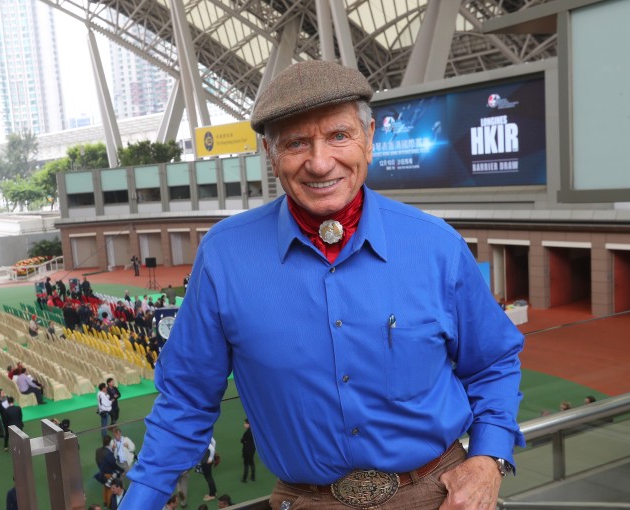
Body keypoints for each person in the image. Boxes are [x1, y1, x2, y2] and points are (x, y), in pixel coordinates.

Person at [122, 60, 525, 509]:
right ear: (270, 155)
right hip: (308, 501)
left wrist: (489, 458)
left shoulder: (435, 245)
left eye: (338, 135)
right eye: (296, 143)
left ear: (370, 138)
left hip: (437, 495)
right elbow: (187, 400)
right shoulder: (224, 256)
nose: (319, 162)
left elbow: (493, 363)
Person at [200, 437, 217, 502]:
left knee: (208, 477)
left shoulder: (202, 438)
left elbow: (212, 449)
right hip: (208, 459)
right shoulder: (207, 434)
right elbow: (214, 442)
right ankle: (214, 492)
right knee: (209, 476)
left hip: (206, 461)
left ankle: (212, 495)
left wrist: (210, 458)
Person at [240, 418, 256, 483]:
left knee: (246, 464)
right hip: (252, 449)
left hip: (246, 450)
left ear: (249, 424)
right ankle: (253, 477)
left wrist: (243, 441)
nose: (244, 425)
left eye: (245, 423)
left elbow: (242, 440)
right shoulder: (254, 432)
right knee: (251, 462)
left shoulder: (247, 433)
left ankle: (244, 478)